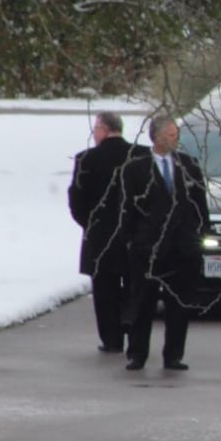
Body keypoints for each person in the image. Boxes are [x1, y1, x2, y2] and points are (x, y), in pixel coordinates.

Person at [118, 115, 209, 373]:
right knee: (142, 304)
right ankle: (137, 354)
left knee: (178, 306)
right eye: (170, 134)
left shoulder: (188, 166)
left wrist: (200, 235)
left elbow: (200, 206)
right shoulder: (135, 169)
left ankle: (174, 355)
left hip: (181, 250)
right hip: (147, 250)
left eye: (175, 134)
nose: (175, 138)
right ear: (156, 137)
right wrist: (132, 242)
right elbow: (126, 211)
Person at [67, 113, 145, 356]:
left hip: (100, 235)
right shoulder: (142, 155)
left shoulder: (87, 159)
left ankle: (111, 338)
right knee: (135, 286)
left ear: (103, 129)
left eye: (95, 128)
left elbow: (77, 200)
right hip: (136, 234)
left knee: (104, 289)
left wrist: (91, 224)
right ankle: (133, 328)